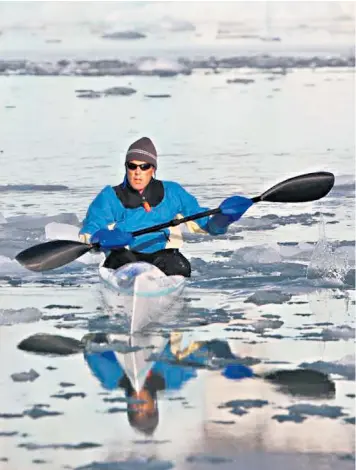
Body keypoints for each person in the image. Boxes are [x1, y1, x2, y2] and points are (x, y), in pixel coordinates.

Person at [79, 137, 244, 277]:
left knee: (178, 265)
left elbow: (205, 225)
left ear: (153, 169)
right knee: (120, 259)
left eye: (144, 167)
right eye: (132, 166)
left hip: (163, 258)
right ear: (126, 167)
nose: (137, 172)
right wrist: (102, 237)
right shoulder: (109, 197)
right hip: (124, 257)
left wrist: (223, 220)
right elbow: (92, 226)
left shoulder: (173, 192)